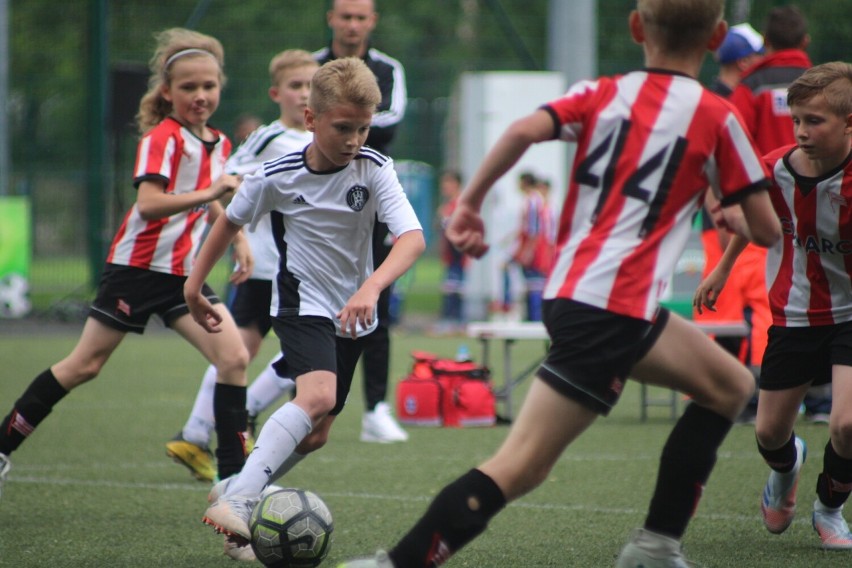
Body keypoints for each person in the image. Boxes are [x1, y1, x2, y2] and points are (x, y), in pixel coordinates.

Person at [339, 0, 782, 566]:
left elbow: (524, 129)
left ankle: (656, 546)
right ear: (719, 36)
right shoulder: (717, 115)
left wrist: (469, 204)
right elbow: (766, 228)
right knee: (521, 465)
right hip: (613, 308)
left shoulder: (602, 93)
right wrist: (733, 210)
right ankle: (395, 564)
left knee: (729, 384)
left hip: (581, 292)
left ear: (635, 27)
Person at [186, 57, 425, 559]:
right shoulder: (277, 174)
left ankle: (235, 491)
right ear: (312, 120)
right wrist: (194, 287)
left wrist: (372, 288)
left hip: (355, 313)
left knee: (317, 434)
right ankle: (244, 496)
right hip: (300, 302)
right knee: (317, 395)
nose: (355, 138)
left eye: (363, 127)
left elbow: (412, 239)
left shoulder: (374, 168)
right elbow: (228, 222)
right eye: (343, 127)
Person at [0, 28, 252, 501]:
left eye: (209, 86)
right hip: (135, 271)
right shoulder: (162, 138)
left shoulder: (217, 142)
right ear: (167, 92)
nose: (200, 96)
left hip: (183, 277)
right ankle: (1, 447)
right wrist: (215, 194)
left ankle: (232, 485)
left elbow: (209, 190)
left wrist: (236, 238)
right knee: (84, 365)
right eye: (189, 87)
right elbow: (151, 204)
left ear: (220, 86)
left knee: (234, 357)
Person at [696, 61, 852, 550]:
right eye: (797, 120)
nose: (802, 132)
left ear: (850, 123)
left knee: (848, 424)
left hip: (850, 315)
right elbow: (751, 222)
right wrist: (722, 269)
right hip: (794, 315)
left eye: (815, 121)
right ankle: (787, 471)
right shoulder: (772, 169)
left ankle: (829, 510)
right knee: (769, 434)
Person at [165, 49, 319, 482]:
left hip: (302, 272)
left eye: (311, 86)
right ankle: (202, 431)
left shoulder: (320, 138)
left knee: (298, 353)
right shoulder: (270, 138)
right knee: (239, 352)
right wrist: (240, 238)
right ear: (276, 93)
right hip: (267, 268)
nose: (304, 94)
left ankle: (207, 428)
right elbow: (222, 185)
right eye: (295, 86)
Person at [728, 5, 832, 423]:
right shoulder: (830, 85)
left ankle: (759, 394)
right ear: (805, 43)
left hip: (768, 210)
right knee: (829, 295)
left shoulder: (751, 86)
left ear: (766, 44)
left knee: (766, 300)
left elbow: (732, 141)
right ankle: (823, 397)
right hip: (827, 210)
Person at [314, 0, 410, 443]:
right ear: (331, 19)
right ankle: (299, 394)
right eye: (345, 16)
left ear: (372, 22)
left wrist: (342, 119)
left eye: (360, 17)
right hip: (313, 200)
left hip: (368, 201)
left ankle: (375, 408)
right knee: (303, 307)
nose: (352, 25)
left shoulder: (389, 70)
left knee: (378, 305)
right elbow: (301, 119)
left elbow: (388, 122)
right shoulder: (312, 67)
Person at [694, 22, 769, 424]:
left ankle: (729, 391)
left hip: (726, 219)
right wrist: (721, 212)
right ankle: (723, 391)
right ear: (744, 62)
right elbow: (708, 165)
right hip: (726, 221)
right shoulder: (725, 101)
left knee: (734, 309)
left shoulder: (727, 97)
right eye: (758, 56)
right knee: (727, 309)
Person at [508, 171, 555, 322]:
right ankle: (531, 319)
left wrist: (528, 251)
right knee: (531, 285)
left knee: (535, 285)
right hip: (535, 247)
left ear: (525, 183)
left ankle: (536, 320)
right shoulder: (536, 200)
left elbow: (534, 230)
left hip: (535, 249)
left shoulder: (533, 201)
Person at [432, 169, 467, 335]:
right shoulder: (447, 207)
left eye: (447, 182)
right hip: (450, 255)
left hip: (458, 255)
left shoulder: (461, 205)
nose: (444, 186)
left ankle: (454, 322)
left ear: (456, 184)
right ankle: (452, 322)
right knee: (451, 286)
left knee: (454, 287)